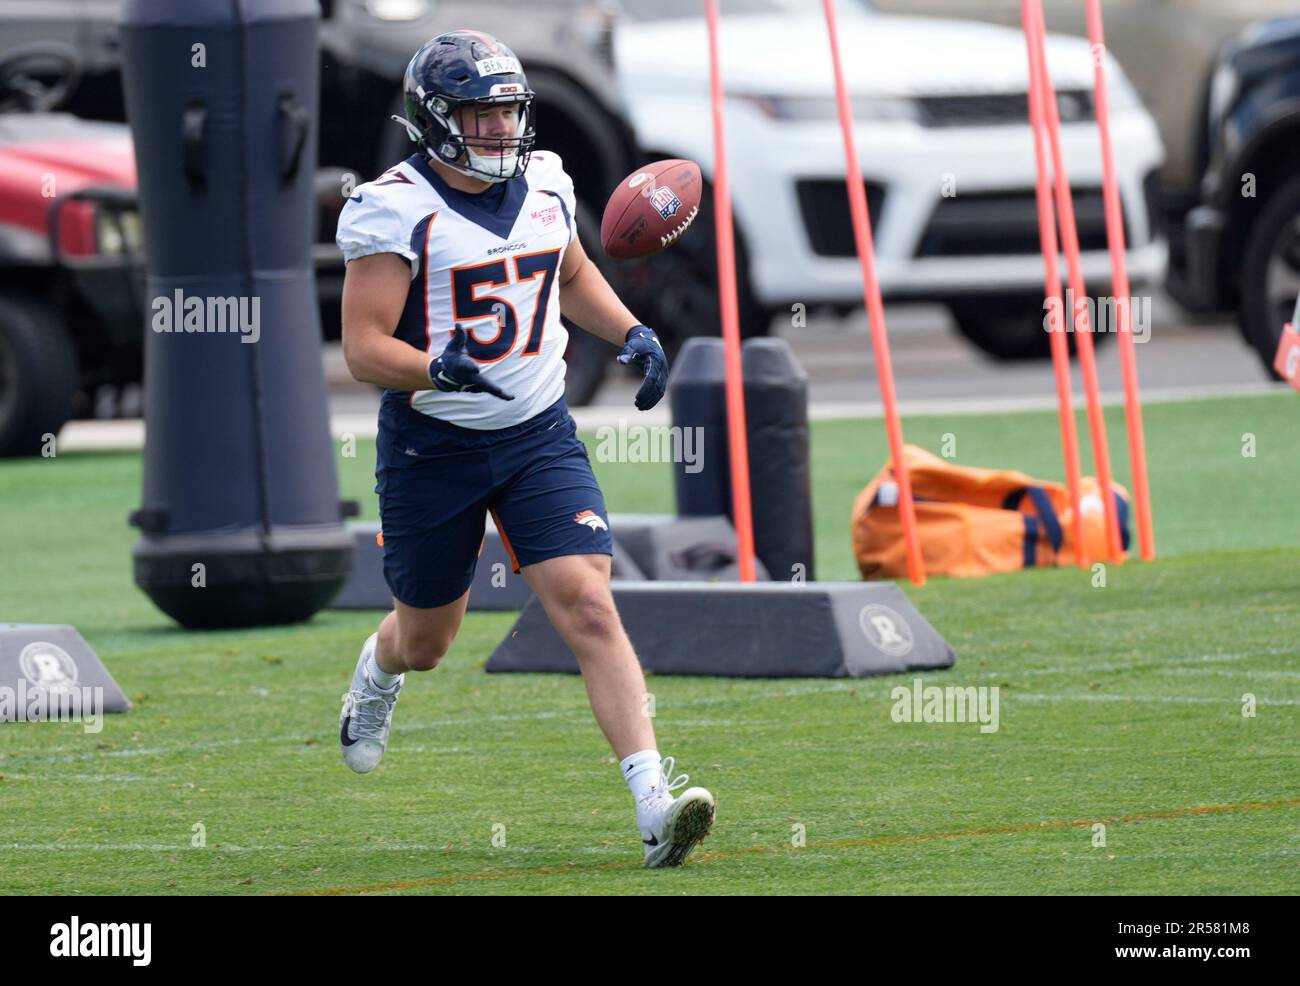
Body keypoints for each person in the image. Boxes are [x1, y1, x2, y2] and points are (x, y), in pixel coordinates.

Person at [333, 30, 714, 868]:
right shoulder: (392, 207)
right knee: (428, 640)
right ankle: (379, 668)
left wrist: (632, 329)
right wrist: (434, 366)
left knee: (586, 601)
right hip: (433, 445)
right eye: (481, 113)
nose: (502, 129)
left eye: (508, 110)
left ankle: (655, 802)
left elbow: (569, 272)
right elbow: (362, 348)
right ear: (435, 120)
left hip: (538, 433)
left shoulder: (545, 181)